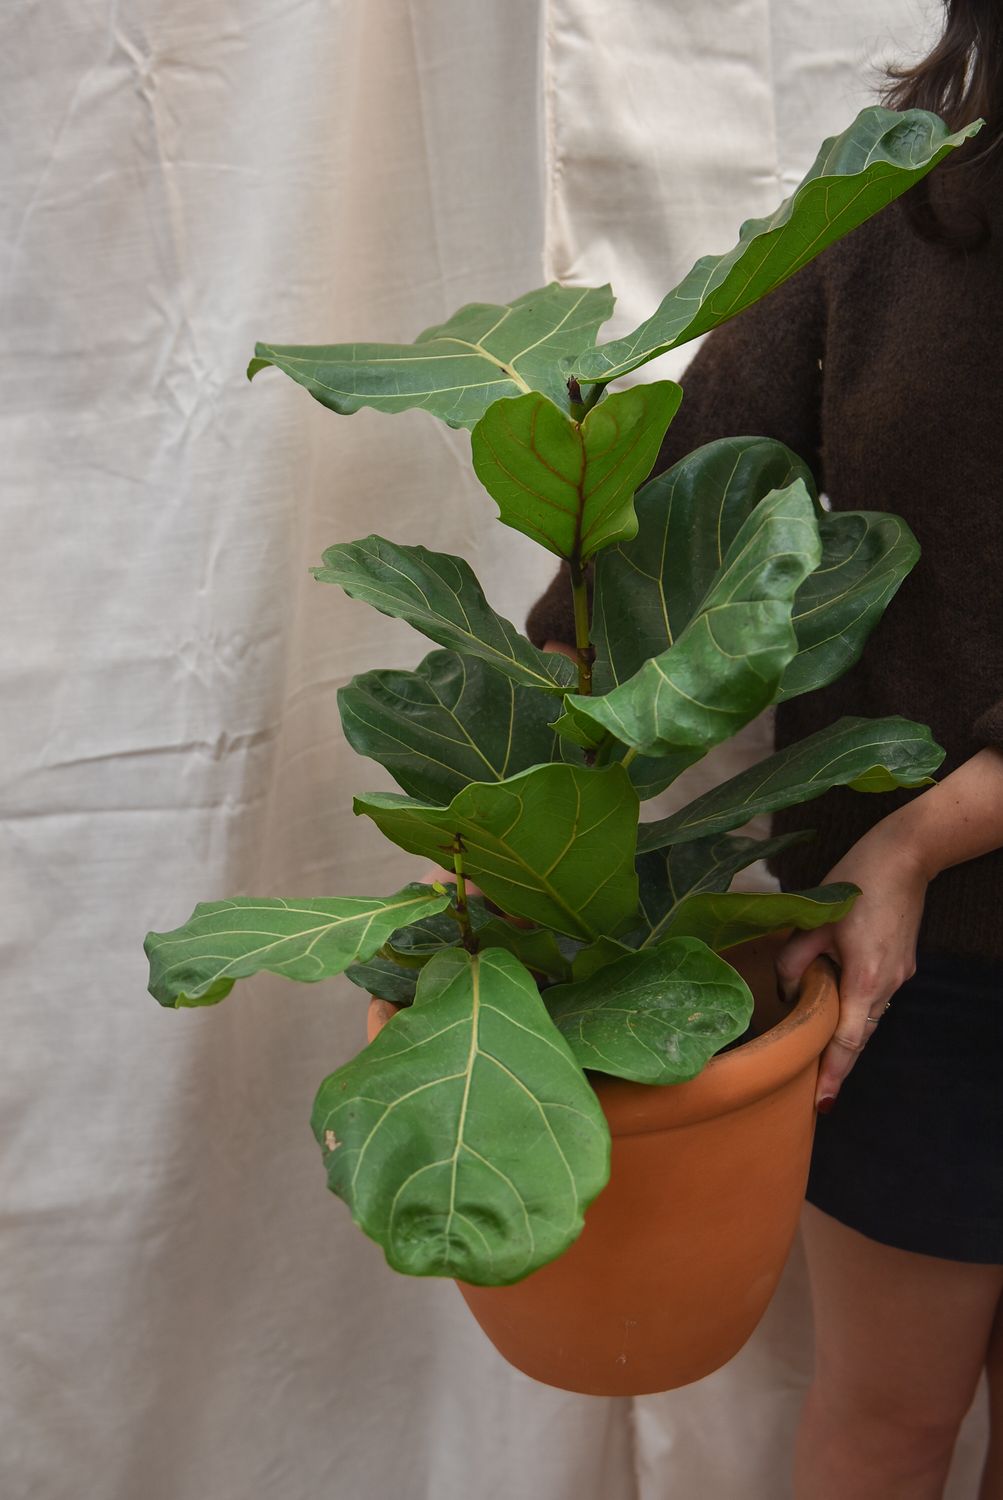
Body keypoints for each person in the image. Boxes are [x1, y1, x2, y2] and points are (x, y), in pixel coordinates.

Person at [526, 4, 1003, 1494]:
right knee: (885, 1420)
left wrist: (919, 839)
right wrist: (509, 774)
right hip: (903, 978)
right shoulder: (892, 212)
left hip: (896, 888)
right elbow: (679, 509)